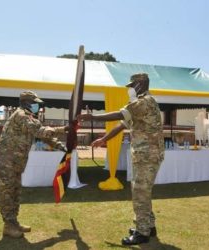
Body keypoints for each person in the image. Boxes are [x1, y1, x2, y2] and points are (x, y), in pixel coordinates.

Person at [78, 73, 164, 245]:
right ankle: (148, 226)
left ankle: (142, 232)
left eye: (132, 85)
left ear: (140, 85)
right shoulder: (141, 105)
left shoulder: (144, 102)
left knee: (140, 192)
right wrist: (104, 139)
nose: (129, 89)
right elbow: (121, 125)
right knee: (143, 191)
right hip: (146, 154)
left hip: (147, 155)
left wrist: (93, 117)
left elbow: (119, 115)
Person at [0, 90, 68, 238]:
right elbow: (40, 131)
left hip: (14, 163)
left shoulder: (29, 118)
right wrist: (64, 129)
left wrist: (62, 147)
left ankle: (13, 223)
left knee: (15, 193)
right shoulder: (21, 116)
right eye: (36, 104)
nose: (38, 107)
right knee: (6, 194)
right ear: (27, 103)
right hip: (5, 161)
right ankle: (8, 225)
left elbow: (45, 137)